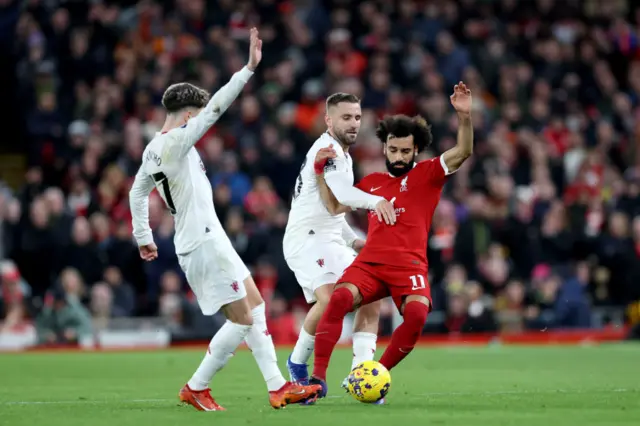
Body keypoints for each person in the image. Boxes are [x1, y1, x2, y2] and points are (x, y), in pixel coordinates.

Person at [129, 28, 321, 411]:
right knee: (244, 319)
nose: (200, 122)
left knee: (255, 307)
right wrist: (248, 70)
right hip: (201, 242)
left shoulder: (154, 148)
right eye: (195, 116)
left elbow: (137, 192)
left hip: (207, 237)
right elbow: (216, 108)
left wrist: (143, 236)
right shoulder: (175, 141)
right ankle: (199, 386)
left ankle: (277, 387)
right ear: (187, 115)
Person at [309, 82, 474, 397]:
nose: (398, 156)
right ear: (385, 148)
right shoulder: (371, 183)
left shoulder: (428, 174)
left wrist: (465, 117)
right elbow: (333, 206)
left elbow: (463, 152)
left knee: (416, 316)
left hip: (408, 265)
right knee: (339, 300)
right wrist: (319, 173)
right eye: (393, 150)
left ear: (416, 150)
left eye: (405, 151)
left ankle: (376, 375)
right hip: (370, 264)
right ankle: (317, 380)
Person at [283, 93, 396, 397]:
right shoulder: (328, 150)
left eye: (357, 117)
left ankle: (361, 373)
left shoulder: (342, 154)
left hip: (330, 238)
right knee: (332, 298)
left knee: (372, 295)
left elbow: (329, 207)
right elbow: (342, 198)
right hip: (306, 239)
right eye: (346, 117)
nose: (354, 124)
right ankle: (297, 363)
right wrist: (376, 201)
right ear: (329, 120)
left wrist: (352, 240)